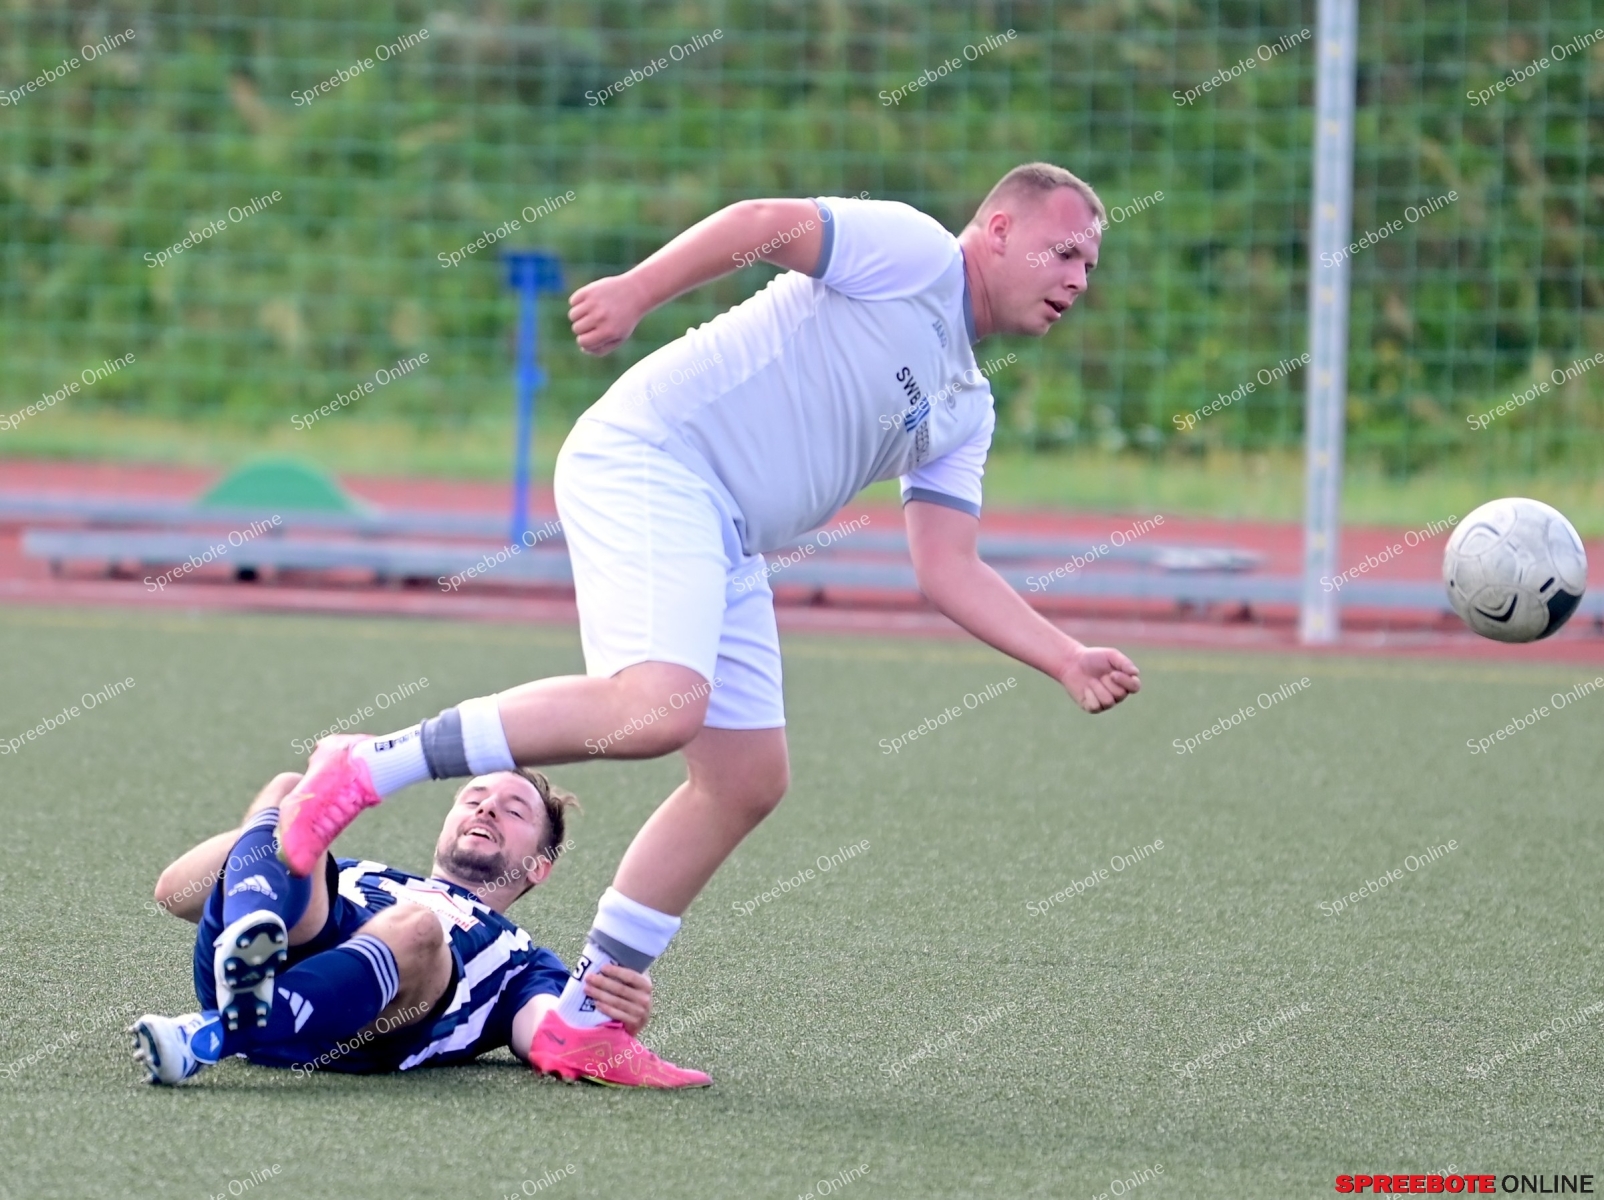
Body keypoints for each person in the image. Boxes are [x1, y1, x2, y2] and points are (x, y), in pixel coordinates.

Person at [273, 162, 1140, 1087]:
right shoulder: (918, 251)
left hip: (726, 533)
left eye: (1090, 265)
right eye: (1064, 251)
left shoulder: (968, 407)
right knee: (657, 705)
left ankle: (582, 1020)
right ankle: (366, 766)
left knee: (746, 779)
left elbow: (947, 565)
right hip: (654, 459)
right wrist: (636, 292)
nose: (1078, 279)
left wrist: (1064, 656)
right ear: (998, 231)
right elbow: (764, 221)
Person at [130, 769, 707, 1087]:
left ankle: (223, 1027)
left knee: (417, 926)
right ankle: (248, 956)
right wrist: (287, 824)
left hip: (363, 1024)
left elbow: (547, 1032)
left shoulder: (525, 960)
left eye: (513, 810)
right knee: (288, 790)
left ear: (539, 865)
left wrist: (602, 1017)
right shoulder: (357, 871)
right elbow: (176, 892)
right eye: (474, 798)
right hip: (292, 942)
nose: (486, 808)